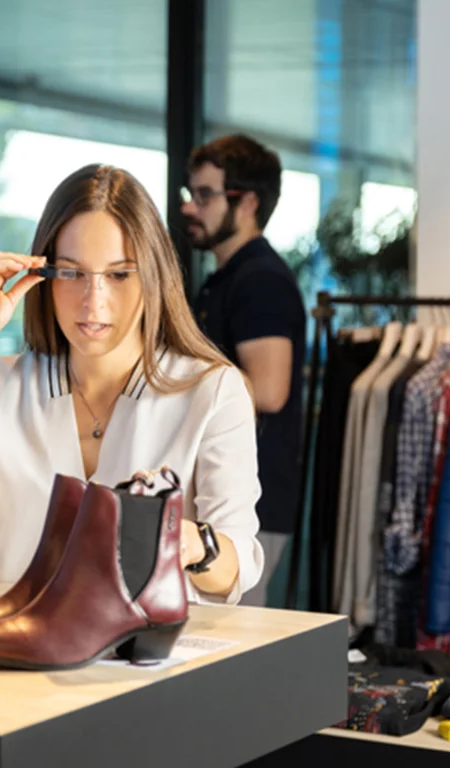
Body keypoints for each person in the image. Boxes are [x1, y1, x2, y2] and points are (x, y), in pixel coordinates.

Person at [0, 164, 264, 603]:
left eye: (119, 274)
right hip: (16, 657)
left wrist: (189, 543)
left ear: (154, 276)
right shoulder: (0, 384)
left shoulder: (212, 391)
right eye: (71, 273)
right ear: (45, 278)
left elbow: (236, 569)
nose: (94, 301)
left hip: (151, 660)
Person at [182, 134, 306, 608]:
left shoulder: (261, 281)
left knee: (230, 643)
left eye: (206, 195)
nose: (192, 208)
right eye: (192, 195)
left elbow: (269, 391)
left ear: (248, 201)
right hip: (225, 494)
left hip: (252, 503)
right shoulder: (227, 280)